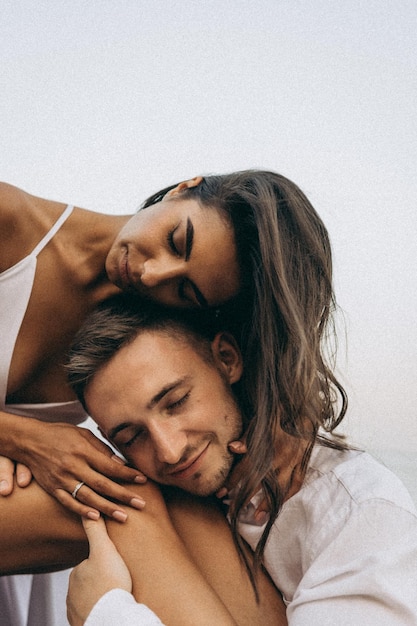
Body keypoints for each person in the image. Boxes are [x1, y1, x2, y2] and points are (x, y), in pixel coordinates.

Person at [0, 169, 341, 624]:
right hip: (18, 467)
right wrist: (23, 438)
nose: (149, 272)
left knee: (177, 505)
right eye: (178, 240)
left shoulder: (141, 332)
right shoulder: (9, 223)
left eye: (186, 291)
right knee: (127, 505)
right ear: (185, 187)